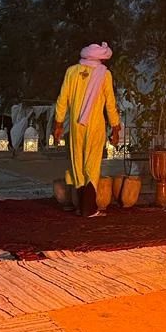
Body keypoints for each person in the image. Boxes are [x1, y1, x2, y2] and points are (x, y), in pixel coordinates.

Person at [53, 42, 121, 217]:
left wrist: (58, 124)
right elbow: (110, 103)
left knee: (77, 163)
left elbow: (62, 99)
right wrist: (115, 127)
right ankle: (88, 209)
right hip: (95, 125)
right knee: (92, 163)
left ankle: (80, 206)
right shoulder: (104, 74)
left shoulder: (72, 71)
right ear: (100, 57)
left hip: (76, 126)